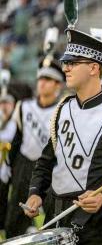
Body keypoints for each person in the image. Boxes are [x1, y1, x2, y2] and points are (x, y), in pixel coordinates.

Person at [24, 28, 102, 245]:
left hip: (95, 226)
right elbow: (46, 161)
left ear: (93, 68)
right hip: (55, 216)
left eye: (73, 63)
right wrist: (36, 192)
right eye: (66, 62)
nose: (65, 68)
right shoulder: (63, 108)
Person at [5, 56, 65, 238]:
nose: (42, 84)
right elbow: (17, 139)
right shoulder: (24, 106)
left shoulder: (63, 110)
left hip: (51, 170)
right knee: (14, 221)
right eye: (40, 79)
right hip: (24, 167)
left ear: (58, 85)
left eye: (48, 80)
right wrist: (11, 167)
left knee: (53, 222)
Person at [0, 81, 32, 236]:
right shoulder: (3, 123)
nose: (3, 107)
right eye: (1, 102)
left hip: (19, 173)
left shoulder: (19, 124)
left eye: (7, 103)